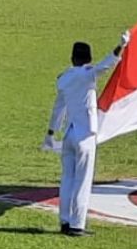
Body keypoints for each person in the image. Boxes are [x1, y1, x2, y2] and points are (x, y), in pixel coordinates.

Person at [45, 31, 130, 237]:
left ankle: (64, 221)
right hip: (85, 135)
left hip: (69, 135)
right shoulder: (87, 74)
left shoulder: (64, 79)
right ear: (88, 59)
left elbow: (59, 109)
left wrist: (50, 132)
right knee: (82, 181)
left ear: (72, 58)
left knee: (67, 180)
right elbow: (106, 65)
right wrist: (121, 46)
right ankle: (77, 225)